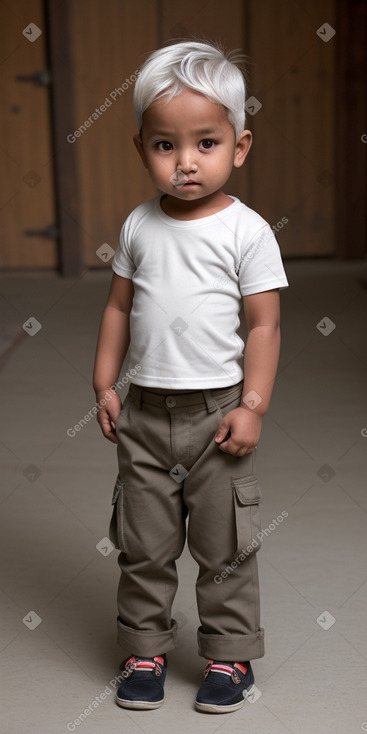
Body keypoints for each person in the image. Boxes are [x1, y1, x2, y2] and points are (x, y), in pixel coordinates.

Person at [93, 39, 289, 714]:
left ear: (238, 146)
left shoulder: (246, 231)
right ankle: (143, 649)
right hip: (145, 416)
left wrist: (253, 405)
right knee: (142, 545)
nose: (184, 163)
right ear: (141, 146)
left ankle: (229, 658)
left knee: (224, 545)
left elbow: (263, 324)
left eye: (205, 143)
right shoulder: (138, 227)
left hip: (216, 415)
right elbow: (118, 308)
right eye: (164, 146)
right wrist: (104, 384)